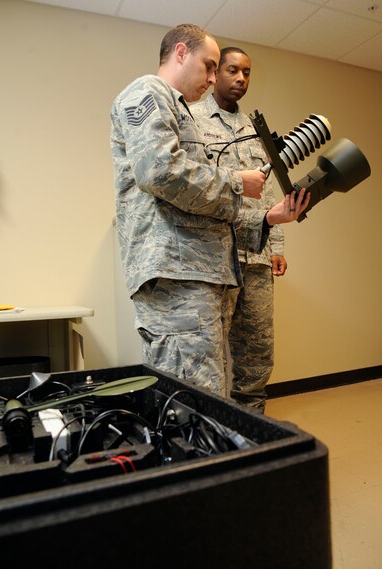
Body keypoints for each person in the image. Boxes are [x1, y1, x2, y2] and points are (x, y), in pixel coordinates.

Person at [109, 24, 309, 397]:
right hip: (177, 274)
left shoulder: (180, 110)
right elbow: (160, 171)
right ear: (181, 53)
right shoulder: (148, 92)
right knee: (191, 398)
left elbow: (204, 204)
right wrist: (236, 182)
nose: (215, 77)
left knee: (208, 393)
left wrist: (267, 218)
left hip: (203, 273)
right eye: (210, 66)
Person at [191, 47, 287, 411]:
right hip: (216, 257)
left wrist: (276, 245)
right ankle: (214, 429)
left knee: (258, 349)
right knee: (210, 351)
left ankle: (252, 423)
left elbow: (271, 192)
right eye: (233, 70)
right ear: (216, 73)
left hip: (257, 255)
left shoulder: (255, 130)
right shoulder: (193, 119)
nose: (241, 79)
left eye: (247, 73)